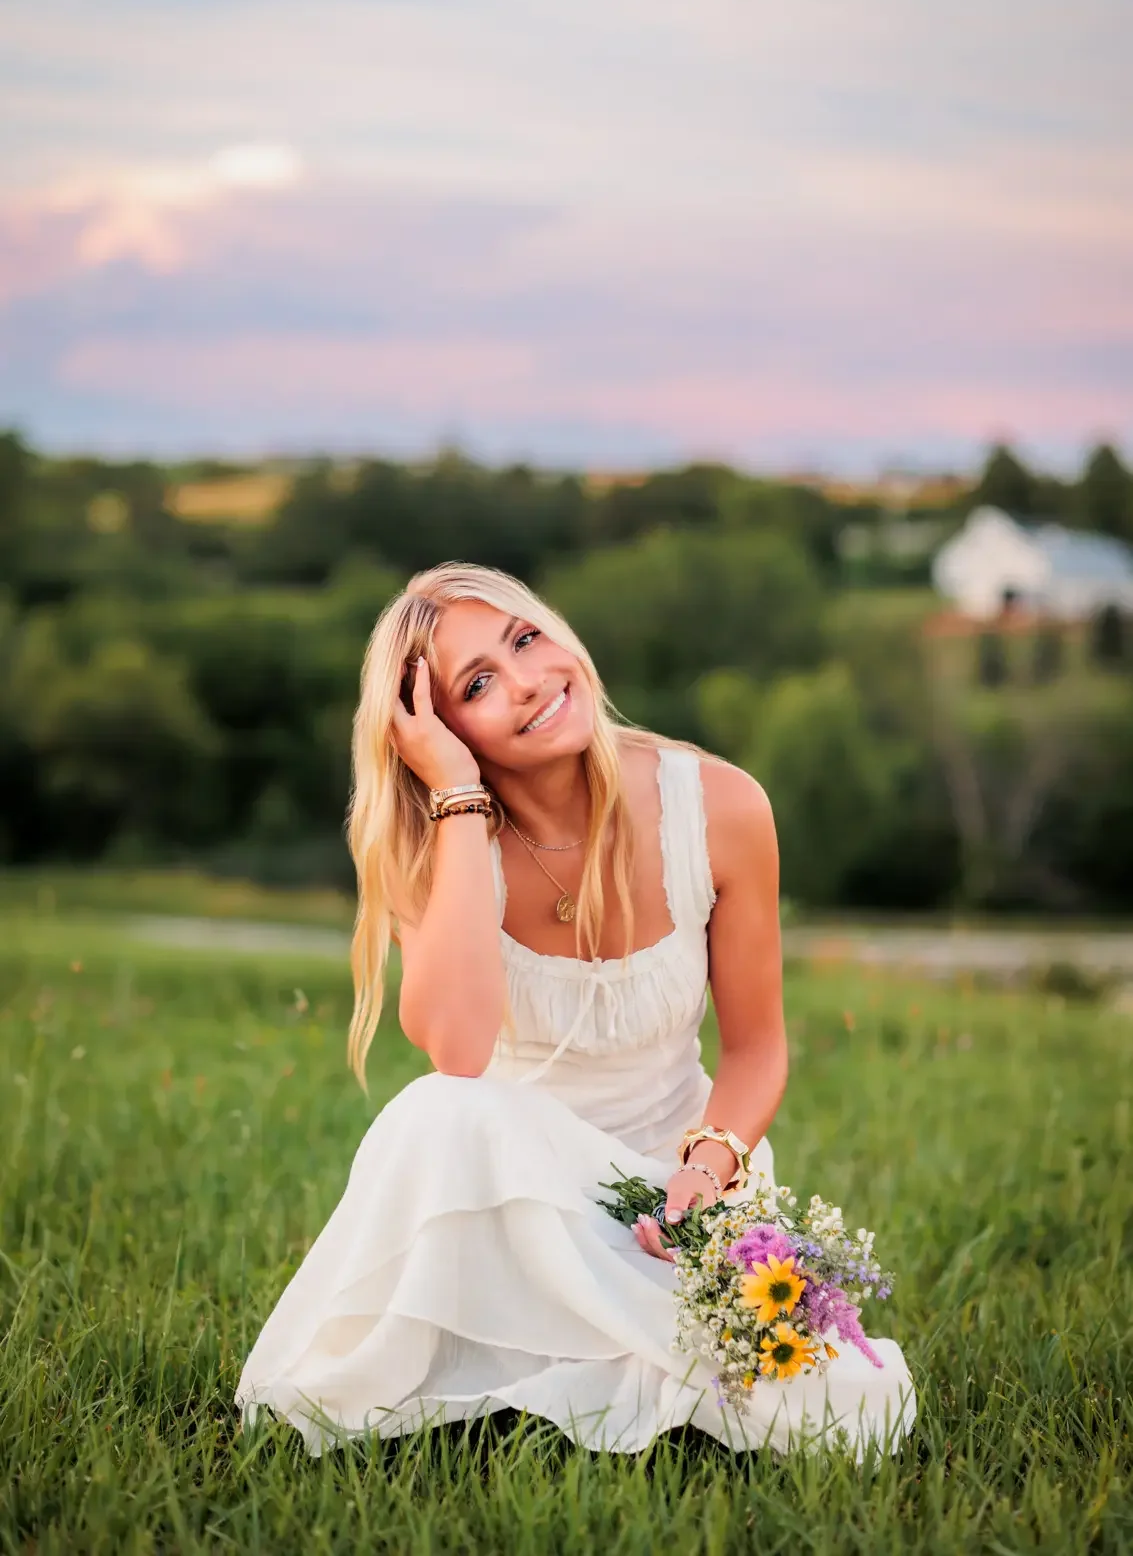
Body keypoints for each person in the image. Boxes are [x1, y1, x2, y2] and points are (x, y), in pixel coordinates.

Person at [236, 562, 915, 1456]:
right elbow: (457, 1049)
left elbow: (755, 1050)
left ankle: (574, 1352)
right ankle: (527, 1355)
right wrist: (458, 800)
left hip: (670, 1195)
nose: (525, 682)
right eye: (476, 684)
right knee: (439, 1111)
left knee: (842, 1410)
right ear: (436, 727)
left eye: (525, 639)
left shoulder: (719, 805)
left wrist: (703, 1182)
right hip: (511, 1200)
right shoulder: (431, 846)